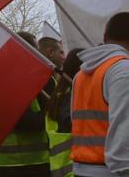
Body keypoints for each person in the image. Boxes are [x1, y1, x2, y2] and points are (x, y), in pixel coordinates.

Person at [71, 11, 129, 177]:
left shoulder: (80, 75)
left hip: (81, 169)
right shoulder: (123, 71)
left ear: (105, 36)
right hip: (113, 171)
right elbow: (124, 134)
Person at [0, 32, 50, 177]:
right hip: (15, 165)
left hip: (36, 162)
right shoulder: (8, 80)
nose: (39, 53)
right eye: (35, 48)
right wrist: (52, 113)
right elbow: (25, 122)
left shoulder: (33, 77)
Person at [45, 48, 83, 177]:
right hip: (73, 165)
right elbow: (71, 122)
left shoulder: (60, 93)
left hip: (62, 166)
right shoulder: (70, 95)